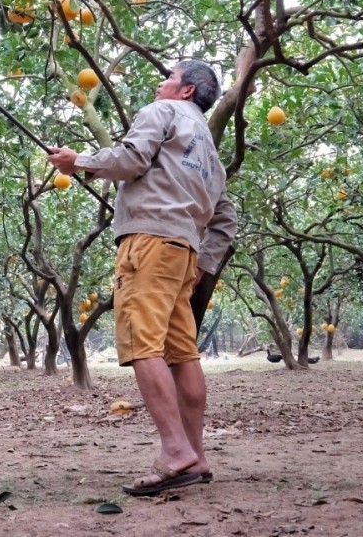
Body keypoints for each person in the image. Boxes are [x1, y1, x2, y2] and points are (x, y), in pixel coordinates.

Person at [47, 59, 238, 496]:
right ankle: (196, 455)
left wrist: (79, 161)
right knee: (182, 353)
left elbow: (132, 158)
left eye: (169, 77)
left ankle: (175, 451)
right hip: (183, 253)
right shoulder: (208, 151)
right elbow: (226, 217)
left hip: (149, 244)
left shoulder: (162, 112)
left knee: (142, 345)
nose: (160, 83)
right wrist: (202, 265)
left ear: (186, 90)